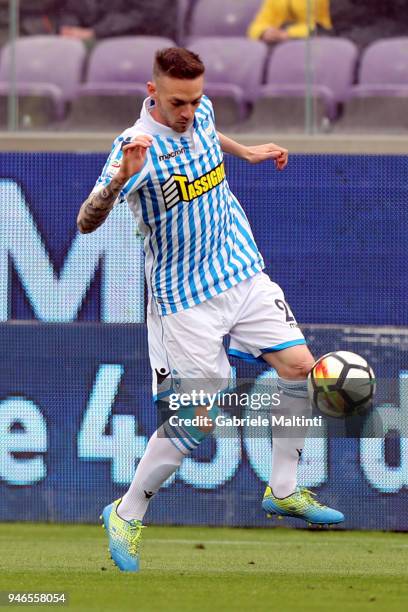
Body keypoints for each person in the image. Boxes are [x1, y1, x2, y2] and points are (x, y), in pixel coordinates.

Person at [77, 47, 344, 573]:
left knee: (302, 370)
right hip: (184, 300)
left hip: (240, 270)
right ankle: (127, 512)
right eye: (178, 102)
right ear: (152, 92)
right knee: (198, 416)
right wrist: (116, 181)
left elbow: (206, 135)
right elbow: (87, 220)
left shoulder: (202, 111)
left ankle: (284, 489)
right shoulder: (135, 149)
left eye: (196, 99)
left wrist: (243, 152)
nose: (190, 111)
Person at [58, 0, 177, 42]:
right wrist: (69, 28)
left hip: (140, 39)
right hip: (93, 39)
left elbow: (146, 14)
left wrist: (94, 32)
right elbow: (71, 9)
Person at [247, 0, 332, 43]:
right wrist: (263, 33)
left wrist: (290, 34)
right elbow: (258, 24)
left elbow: (327, 25)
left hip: (314, 43)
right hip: (278, 44)